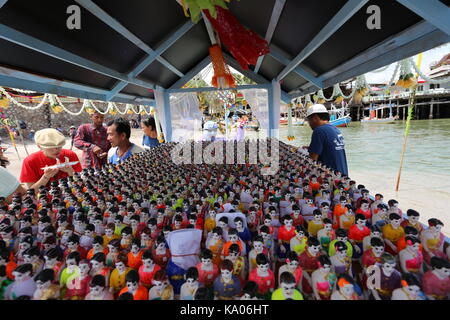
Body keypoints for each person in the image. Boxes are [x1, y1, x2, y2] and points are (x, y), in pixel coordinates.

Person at [305, 104, 348, 176]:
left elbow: (312, 159)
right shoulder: (335, 129)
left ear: (315, 118)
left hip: (330, 177)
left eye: (309, 120)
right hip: (342, 175)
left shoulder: (319, 130)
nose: (309, 124)